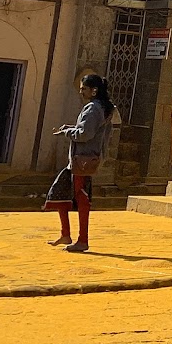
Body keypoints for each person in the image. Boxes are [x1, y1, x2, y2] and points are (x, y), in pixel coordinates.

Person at [43, 74, 115, 253]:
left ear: (94, 91)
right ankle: (65, 234)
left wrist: (67, 133)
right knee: (61, 192)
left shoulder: (93, 108)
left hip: (82, 159)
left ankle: (82, 239)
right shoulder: (103, 107)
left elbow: (85, 134)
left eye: (84, 89)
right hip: (84, 158)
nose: (81, 92)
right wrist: (70, 129)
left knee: (80, 196)